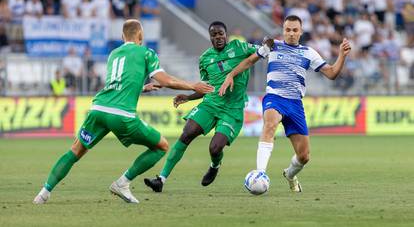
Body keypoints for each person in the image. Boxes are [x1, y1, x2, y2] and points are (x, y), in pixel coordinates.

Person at [33, 19, 214, 204]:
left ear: (122, 36)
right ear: (141, 35)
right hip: (121, 115)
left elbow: (116, 84)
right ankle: (123, 183)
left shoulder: (114, 54)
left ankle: (43, 193)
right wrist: (193, 85)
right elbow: (166, 80)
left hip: (98, 110)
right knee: (162, 146)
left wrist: (142, 88)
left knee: (75, 151)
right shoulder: (146, 53)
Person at [219, 15, 351, 192]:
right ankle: (260, 173)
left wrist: (342, 55)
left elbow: (332, 73)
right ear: (283, 30)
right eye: (288, 29)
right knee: (270, 124)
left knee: (304, 156)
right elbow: (250, 61)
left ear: (301, 32)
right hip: (275, 97)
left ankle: (289, 174)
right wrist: (230, 75)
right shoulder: (273, 46)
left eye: (295, 30)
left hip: (295, 104)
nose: (291, 33)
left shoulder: (309, 53)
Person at [144, 21, 259, 192]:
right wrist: (189, 97)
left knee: (215, 147)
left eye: (221, 34)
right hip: (210, 104)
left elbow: (260, 52)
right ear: (210, 37)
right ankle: (161, 179)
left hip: (232, 109)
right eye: (214, 35)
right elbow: (206, 87)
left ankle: (214, 165)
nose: (218, 37)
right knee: (187, 133)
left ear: (226, 35)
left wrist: (268, 45)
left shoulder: (240, 47)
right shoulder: (205, 59)